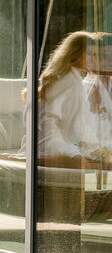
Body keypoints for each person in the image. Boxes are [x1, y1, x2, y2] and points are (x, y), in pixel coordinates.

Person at [37, 30, 109, 168]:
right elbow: (76, 131)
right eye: (89, 53)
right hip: (55, 146)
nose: (94, 59)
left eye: (95, 54)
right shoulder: (72, 84)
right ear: (74, 53)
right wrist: (97, 150)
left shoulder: (63, 78)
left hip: (45, 143)